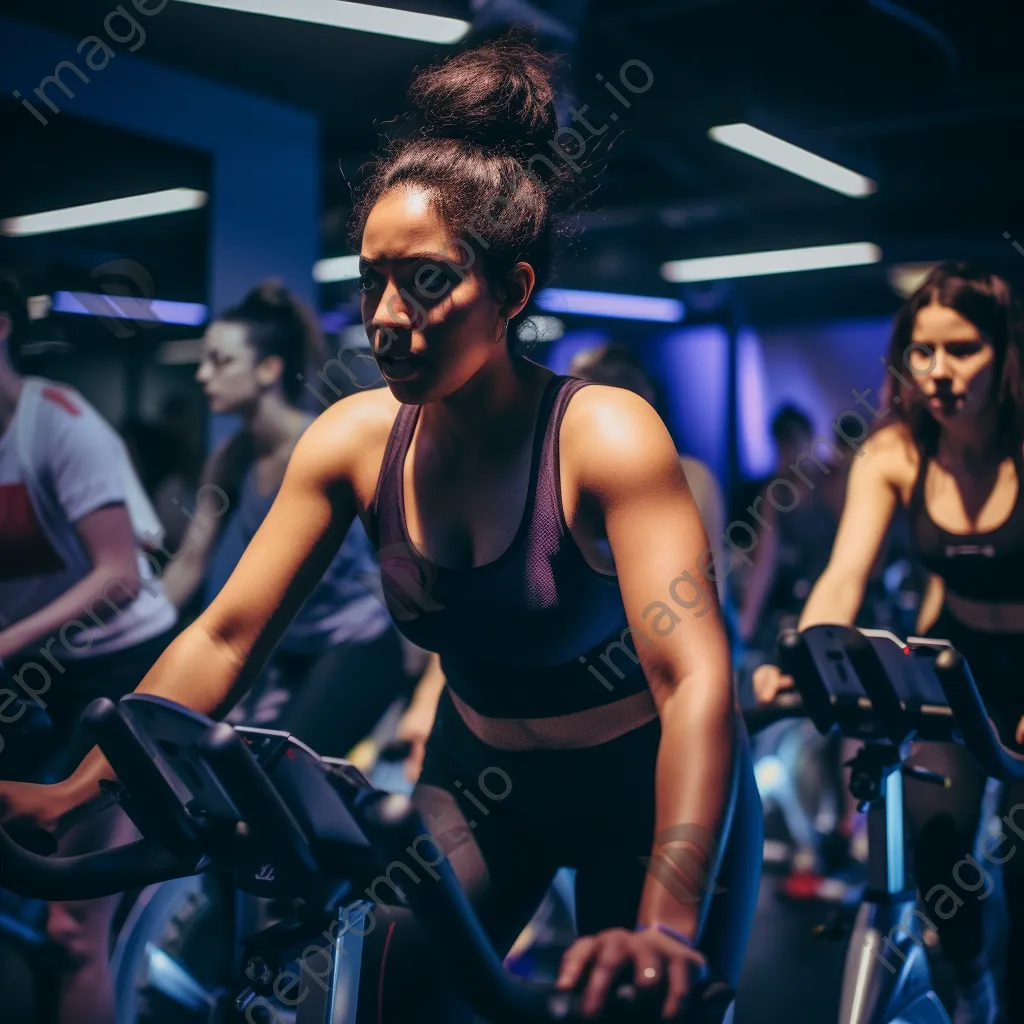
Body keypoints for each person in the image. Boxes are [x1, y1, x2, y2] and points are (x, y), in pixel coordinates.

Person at [0, 37, 762, 1023]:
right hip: (478, 782)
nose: (387, 317)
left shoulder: (603, 435)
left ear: (513, 289)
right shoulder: (355, 438)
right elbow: (225, 636)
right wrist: (82, 791)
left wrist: (663, 922)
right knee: (374, 999)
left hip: (644, 786)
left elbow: (696, 679)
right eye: (371, 280)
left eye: (428, 280)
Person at [755, 261, 1024, 1024]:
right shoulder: (896, 452)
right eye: (922, 351)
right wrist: (807, 658)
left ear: (1004, 351)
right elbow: (843, 576)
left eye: (963, 349)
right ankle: (973, 982)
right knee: (935, 841)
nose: (939, 371)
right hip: (957, 665)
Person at [0, 271, 178, 1024]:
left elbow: (119, 575)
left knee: (76, 925)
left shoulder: (60, 426)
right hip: (28, 674)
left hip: (116, 668)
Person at [160, 280, 410, 758]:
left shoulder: (322, 445)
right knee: (236, 770)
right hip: (290, 649)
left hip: (358, 645)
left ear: (269, 369)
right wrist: (133, 632)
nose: (201, 375)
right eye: (203, 359)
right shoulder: (230, 460)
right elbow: (190, 561)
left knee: (280, 777)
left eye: (220, 361)